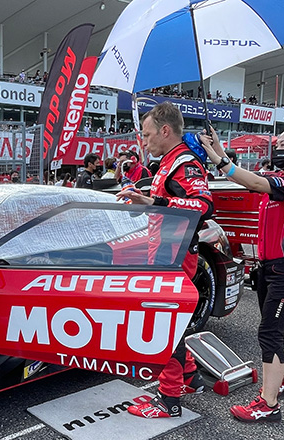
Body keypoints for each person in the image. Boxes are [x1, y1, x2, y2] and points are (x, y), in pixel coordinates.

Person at [199, 125, 284, 422]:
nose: (277, 148)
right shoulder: (283, 179)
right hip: (271, 266)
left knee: (270, 333)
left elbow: (254, 182)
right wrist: (218, 147)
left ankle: (269, 405)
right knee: (275, 330)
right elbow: (248, 178)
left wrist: (218, 160)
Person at [117, 102, 213, 419]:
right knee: (174, 324)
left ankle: (169, 398)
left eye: (147, 135)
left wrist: (154, 200)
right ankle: (190, 378)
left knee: (165, 325)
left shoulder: (185, 162)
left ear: (165, 131)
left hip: (176, 255)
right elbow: (165, 204)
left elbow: (203, 206)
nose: (144, 142)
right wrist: (143, 200)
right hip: (165, 253)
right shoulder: (168, 161)